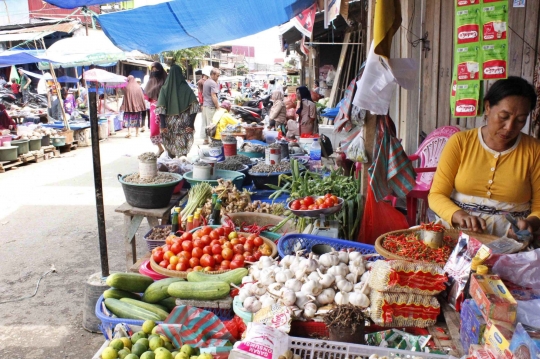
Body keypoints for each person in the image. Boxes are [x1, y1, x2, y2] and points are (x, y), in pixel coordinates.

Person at [429, 76, 540, 238]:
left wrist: (530, 223)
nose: (509, 127)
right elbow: (436, 194)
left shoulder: (534, 150)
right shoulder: (461, 142)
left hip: (512, 237)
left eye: (520, 120)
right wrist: (459, 215)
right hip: (458, 231)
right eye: (503, 116)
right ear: (488, 107)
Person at [156, 64, 200, 157]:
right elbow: (195, 107)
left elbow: (161, 109)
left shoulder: (164, 89)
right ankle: (182, 165)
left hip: (169, 123)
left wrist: (163, 125)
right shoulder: (187, 89)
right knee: (182, 146)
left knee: (170, 145)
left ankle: (172, 165)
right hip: (184, 122)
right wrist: (191, 124)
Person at [144, 62, 168, 155]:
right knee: (154, 129)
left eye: (156, 69)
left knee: (165, 129)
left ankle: (168, 150)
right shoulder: (151, 81)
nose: (154, 71)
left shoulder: (166, 79)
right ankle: (160, 148)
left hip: (166, 108)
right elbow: (147, 94)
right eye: (152, 70)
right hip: (154, 108)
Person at [201, 68, 220, 145]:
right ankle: (213, 140)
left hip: (205, 106)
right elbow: (213, 96)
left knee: (205, 123)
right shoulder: (212, 83)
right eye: (217, 76)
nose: (218, 77)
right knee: (212, 124)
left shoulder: (206, 82)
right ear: (212, 75)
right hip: (211, 106)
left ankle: (205, 140)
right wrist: (218, 107)